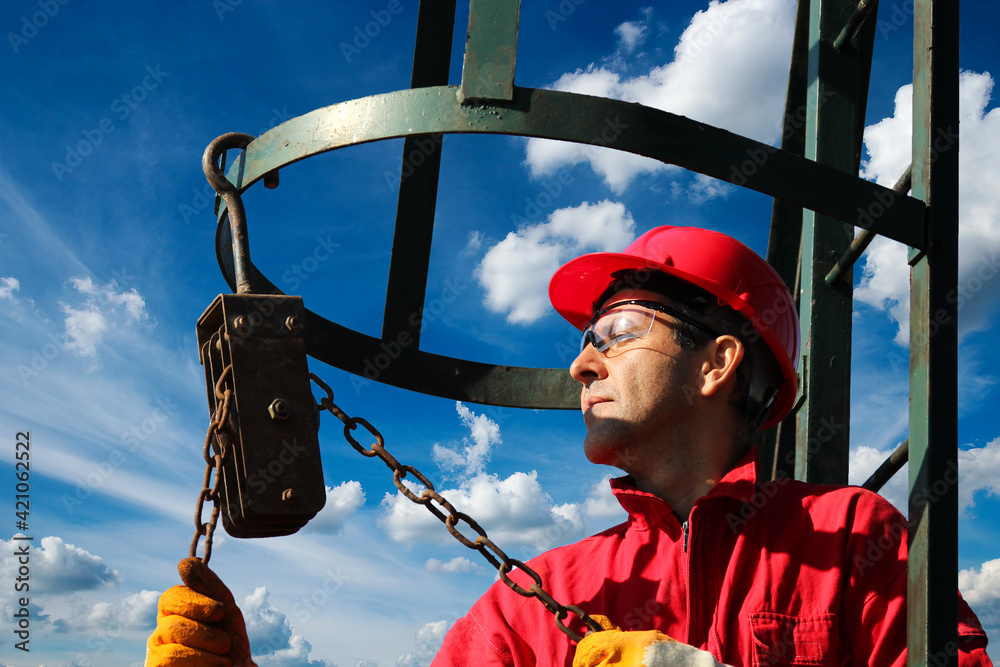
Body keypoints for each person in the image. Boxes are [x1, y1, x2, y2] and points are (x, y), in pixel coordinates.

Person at [146, 226, 992, 667]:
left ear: (718, 363)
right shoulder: (541, 595)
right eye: (587, 338)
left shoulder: (851, 541)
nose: (582, 360)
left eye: (616, 332)